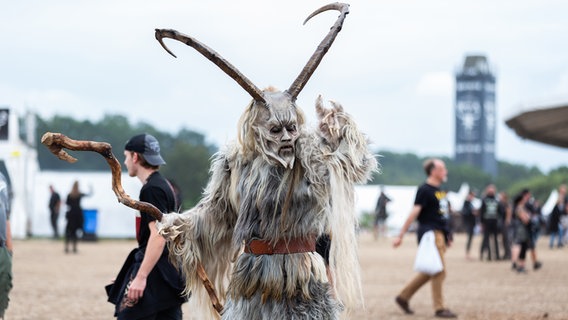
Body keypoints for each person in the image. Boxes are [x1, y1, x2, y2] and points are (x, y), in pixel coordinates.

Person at [106, 133, 186, 319]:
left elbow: (158, 236)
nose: (125, 162)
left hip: (156, 274)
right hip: (166, 272)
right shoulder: (163, 184)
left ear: (135, 157)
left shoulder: (152, 189)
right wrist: (128, 275)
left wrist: (140, 277)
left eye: (126, 156)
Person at [393, 158, 457, 318]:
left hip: (440, 233)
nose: (445, 172)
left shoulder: (439, 189)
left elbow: (442, 215)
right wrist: (401, 234)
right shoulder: (425, 190)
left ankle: (403, 297)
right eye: (443, 169)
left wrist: (448, 234)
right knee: (439, 271)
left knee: (431, 270)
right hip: (431, 234)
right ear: (433, 171)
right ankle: (440, 308)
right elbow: (414, 212)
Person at [64, 180, 91, 253]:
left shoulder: (70, 195)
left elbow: (67, 203)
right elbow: (90, 194)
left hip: (71, 214)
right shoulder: (79, 194)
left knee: (69, 232)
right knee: (75, 232)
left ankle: (66, 248)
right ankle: (74, 248)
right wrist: (90, 187)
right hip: (78, 214)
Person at [0, 173, 12, 320]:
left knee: (3, 287)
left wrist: (9, 250)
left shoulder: (1, 178)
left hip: (2, 246)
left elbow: (6, 213)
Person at [479, 184, 501, 261]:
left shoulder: (497, 199)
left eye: (492, 190)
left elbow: (500, 211)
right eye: (489, 190)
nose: (491, 191)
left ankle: (497, 255)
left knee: (495, 239)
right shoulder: (484, 199)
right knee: (486, 239)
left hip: (494, 221)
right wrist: (481, 222)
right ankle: (487, 255)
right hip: (486, 222)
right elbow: (481, 211)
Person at [548, 184, 566, 249]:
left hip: (559, 221)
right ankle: (553, 244)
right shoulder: (556, 203)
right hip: (555, 221)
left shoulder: (564, 200)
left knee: (560, 232)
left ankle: (558, 243)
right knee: (554, 233)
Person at [461, 190, 477, 260]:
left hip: (472, 223)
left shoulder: (470, 203)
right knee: (469, 239)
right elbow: (464, 212)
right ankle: (467, 254)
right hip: (469, 223)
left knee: (470, 239)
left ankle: (468, 253)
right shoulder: (466, 203)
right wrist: (472, 212)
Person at [498, 191, 512, 260]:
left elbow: (508, 213)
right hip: (503, 223)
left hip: (505, 224)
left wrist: (507, 221)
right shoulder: (501, 204)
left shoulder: (506, 204)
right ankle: (506, 253)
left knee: (507, 240)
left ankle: (508, 254)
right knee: (503, 240)